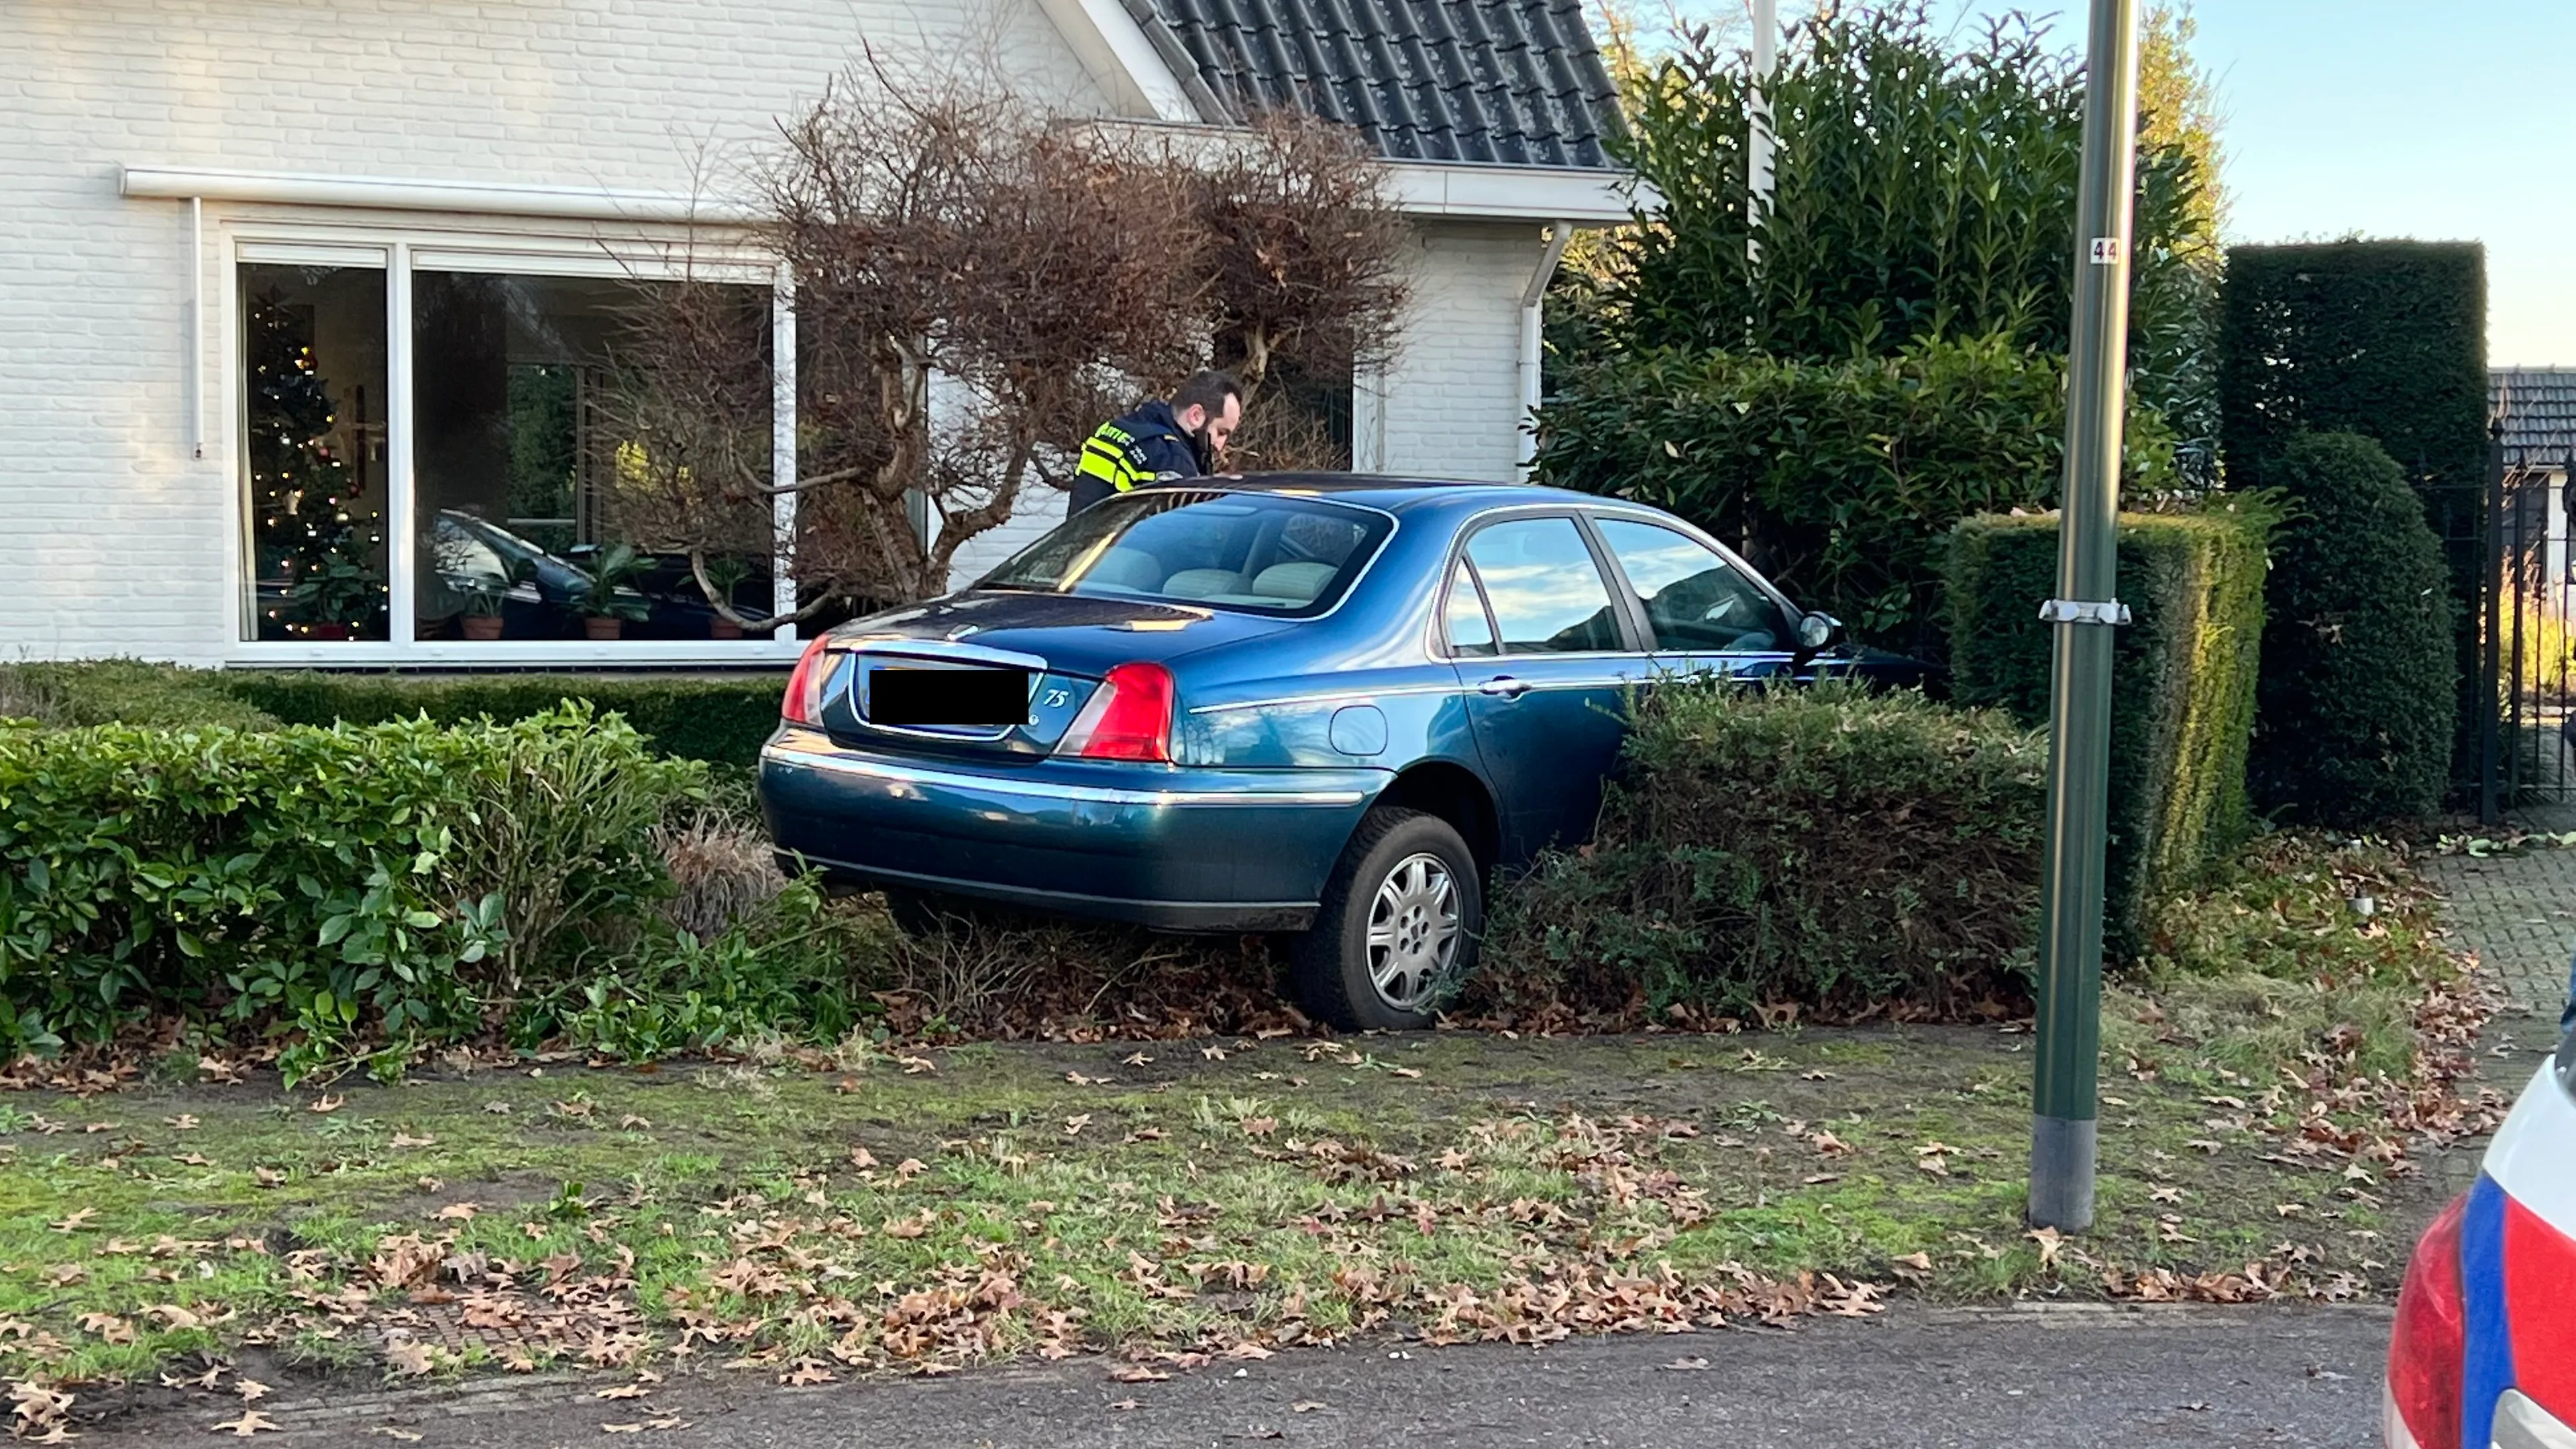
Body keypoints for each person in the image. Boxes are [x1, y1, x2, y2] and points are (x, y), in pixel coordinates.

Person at [1070, 370, 1242, 514]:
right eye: (1221, 432)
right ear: (1196, 415)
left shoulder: (1119, 429)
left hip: (1080, 549)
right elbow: (1179, 537)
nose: (1220, 446)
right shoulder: (1171, 458)